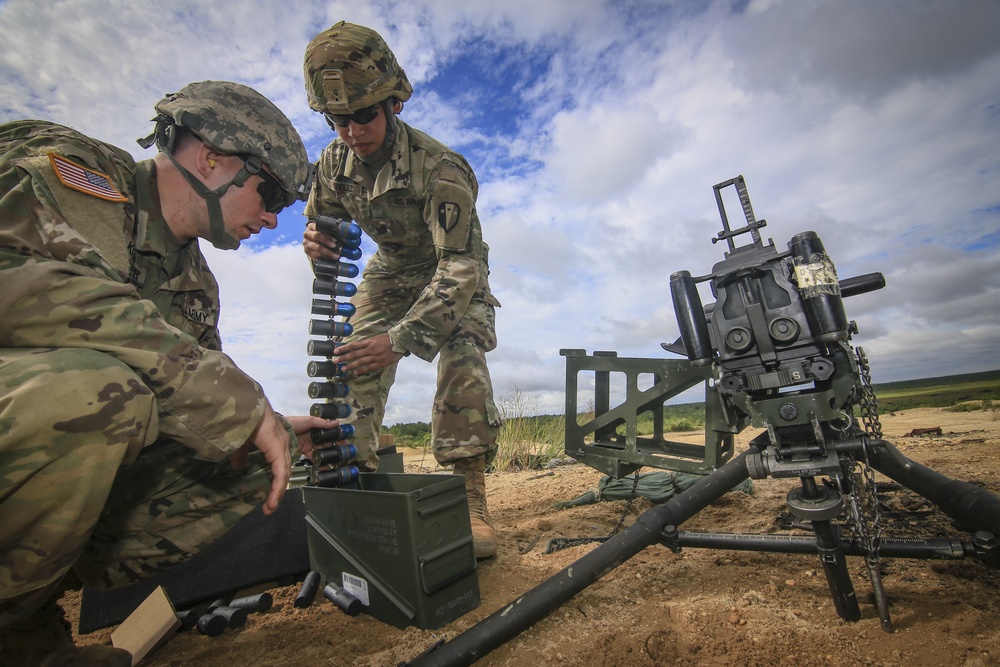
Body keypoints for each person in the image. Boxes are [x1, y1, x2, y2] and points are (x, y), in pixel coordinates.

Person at [0, 81, 331, 666]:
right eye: (270, 192)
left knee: (255, 458)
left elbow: (193, 408)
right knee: (98, 395)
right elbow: (41, 292)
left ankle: (20, 625)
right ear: (212, 159)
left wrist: (267, 425)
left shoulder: (195, 284)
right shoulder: (76, 173)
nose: (275, 218)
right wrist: (233, 402)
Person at [301, 22, 503, 559]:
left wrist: (400, 339)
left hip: (452, 270)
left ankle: (468, 499)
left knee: (462, 355)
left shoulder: (441, 170)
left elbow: (459, 266)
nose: (351, 131)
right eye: (337, 119)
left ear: (393, 104)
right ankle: (353, 487)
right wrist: (316, 241)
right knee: (348, 362)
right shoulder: (331, 163)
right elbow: (321, 219)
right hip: (391, 271)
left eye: (364, 114)